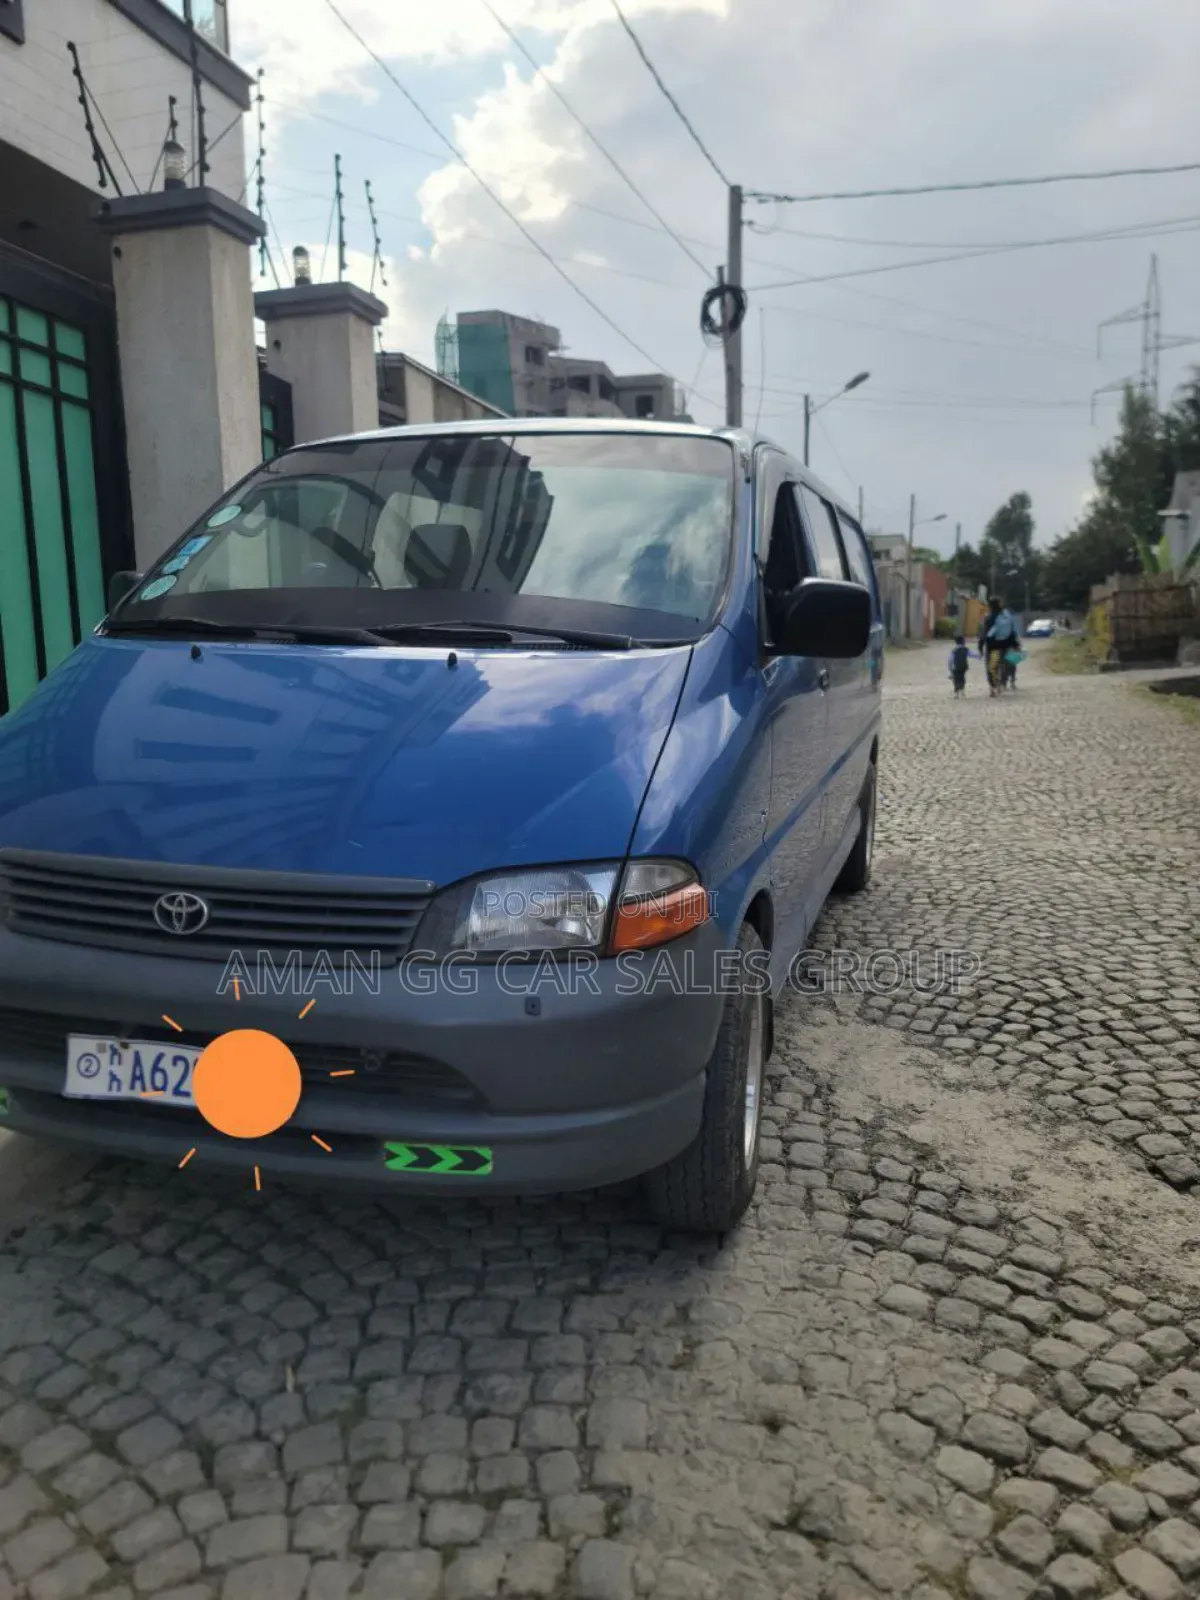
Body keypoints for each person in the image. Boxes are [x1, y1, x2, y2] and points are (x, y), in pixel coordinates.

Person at [983, 597, 1019, 696]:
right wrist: (1015, 644)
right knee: (1004, 665)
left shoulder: (988, 617)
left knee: (991, 666)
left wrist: (981, 644)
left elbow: (985, 633)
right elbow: (1011, 631)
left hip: (992, 645)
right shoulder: (1006, 617)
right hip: (1005, 645)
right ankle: (1001, 684)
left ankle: (993, 687)